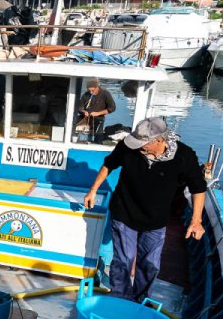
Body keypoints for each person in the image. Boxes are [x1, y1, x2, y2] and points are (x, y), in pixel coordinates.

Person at [83, 117, 206, 302]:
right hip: (125, 211)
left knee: (150, 264)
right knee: (124, 260)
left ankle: (141, 301)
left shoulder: (184, 156)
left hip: (156, 220)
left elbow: (198, 187)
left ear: (159, 140)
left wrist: (196, 221)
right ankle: (120, 298)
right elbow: (109, 164)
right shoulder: (128, 146)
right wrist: (93, 190)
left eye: (142, 143)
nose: (137, 146)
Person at [77, 78, 116, 143]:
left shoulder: (105, 93)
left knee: (98, 139)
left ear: (97, 87)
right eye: (89, 90)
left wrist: (98, 113)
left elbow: (112, 108)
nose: (91, 92)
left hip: (99, 119)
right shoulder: (86, 94)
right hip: (85, 119)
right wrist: (83, 111)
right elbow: (79, 107)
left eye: (92, 90)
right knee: (83, 139)